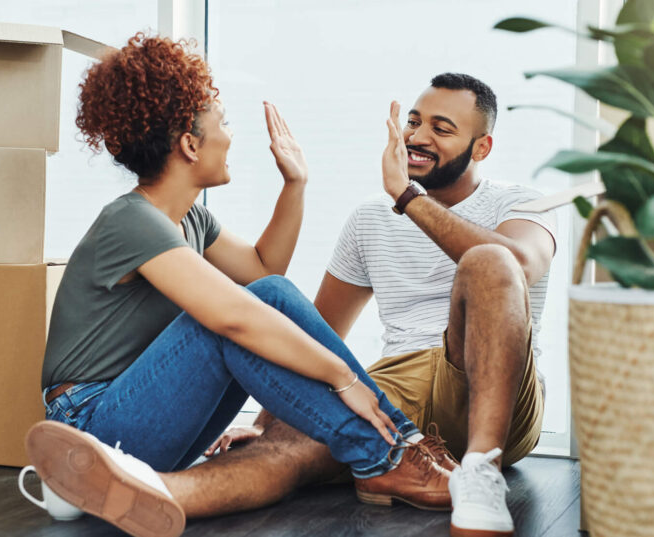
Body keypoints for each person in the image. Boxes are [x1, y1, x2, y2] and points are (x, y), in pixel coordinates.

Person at [30, 71, 558, 537]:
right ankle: (391, 455)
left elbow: (264, 272)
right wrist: (340, 381)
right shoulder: (131, 220)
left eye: (441, 127)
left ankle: (113, 483)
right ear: (191, 145)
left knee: (267, 298)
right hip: (91, 417)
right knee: (252, 320)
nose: (232, 136)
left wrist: (296, 183)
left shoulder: (191, 220)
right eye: (224, 123)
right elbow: (238, 315)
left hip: (133, 415)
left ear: (481, 146)